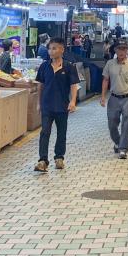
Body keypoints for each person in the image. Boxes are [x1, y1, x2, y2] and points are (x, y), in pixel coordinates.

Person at [34, 38, 79, 172]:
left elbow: (73, 85)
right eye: (50, 48)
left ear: (62, 50)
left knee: (61, 133)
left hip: (62, 106)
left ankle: (59, 158)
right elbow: (40, 86)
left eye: (54, 48)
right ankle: (42, 160)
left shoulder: (69, 66)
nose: (51, 51)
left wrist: (73, 101)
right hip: (47, 105)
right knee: (44, 132)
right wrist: (38, 103)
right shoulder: (44, 66)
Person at [101, 42, 128, 160]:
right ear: (115, 50)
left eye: (124, 49)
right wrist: (103, 97)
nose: (122, 52)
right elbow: (105, 80)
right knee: (112, 124)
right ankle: (118, 142)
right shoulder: (110, 64)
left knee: (126, 124)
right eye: (119, 49)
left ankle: (123, 149)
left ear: (127, 50)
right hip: (113, 98)